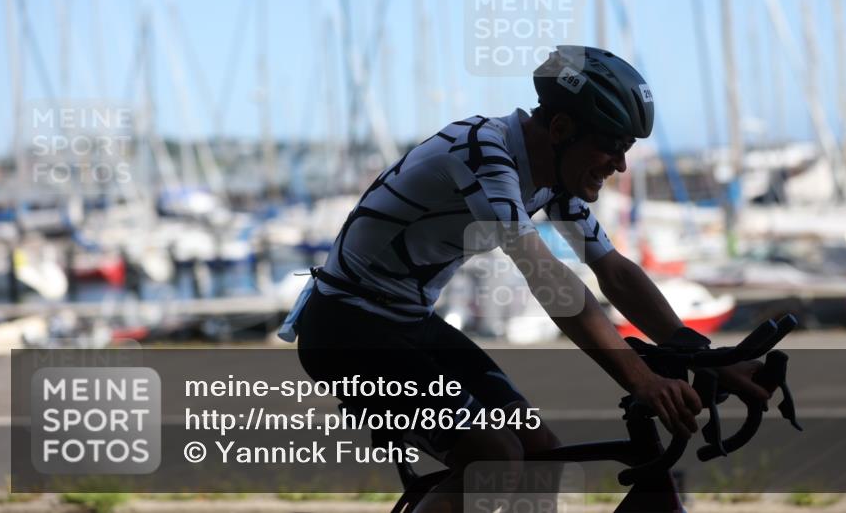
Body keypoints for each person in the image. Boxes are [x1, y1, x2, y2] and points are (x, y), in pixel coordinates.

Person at [279, 45, 770, 512]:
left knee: (542, 458)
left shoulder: (551, 176)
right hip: (345, 329)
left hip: (406, 323)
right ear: (560, 128)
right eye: (613, 147)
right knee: (492, 457)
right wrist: (641, 379)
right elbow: (545, 276)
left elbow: (615, 273)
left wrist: (704, 355)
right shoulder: (481, 153)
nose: (621, 165)